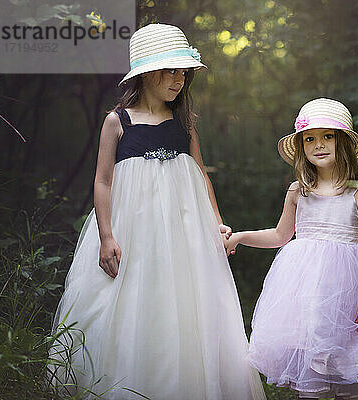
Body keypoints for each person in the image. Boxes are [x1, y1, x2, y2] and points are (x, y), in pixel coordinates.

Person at [48, 23, 266, 400]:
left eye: (184, 72)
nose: (180, 79)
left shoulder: (183, 123)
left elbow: (199, 174)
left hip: (184, 229)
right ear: (147, 72)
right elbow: (102, 182)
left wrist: (217, 223)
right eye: (172, 70)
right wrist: (106, 236)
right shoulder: (118, 122)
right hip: (135, 230)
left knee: (186, 297)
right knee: (132, 298)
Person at [225, 98, 358, 399]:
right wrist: (240, 236)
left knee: (353, 362)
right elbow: (280, 235)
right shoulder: (299, 191)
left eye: (328, 136)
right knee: (312, 363)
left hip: (350, 291)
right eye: (309, 139)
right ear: (301, 147)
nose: (318, 145)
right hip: (307, 294)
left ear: (344, 144)